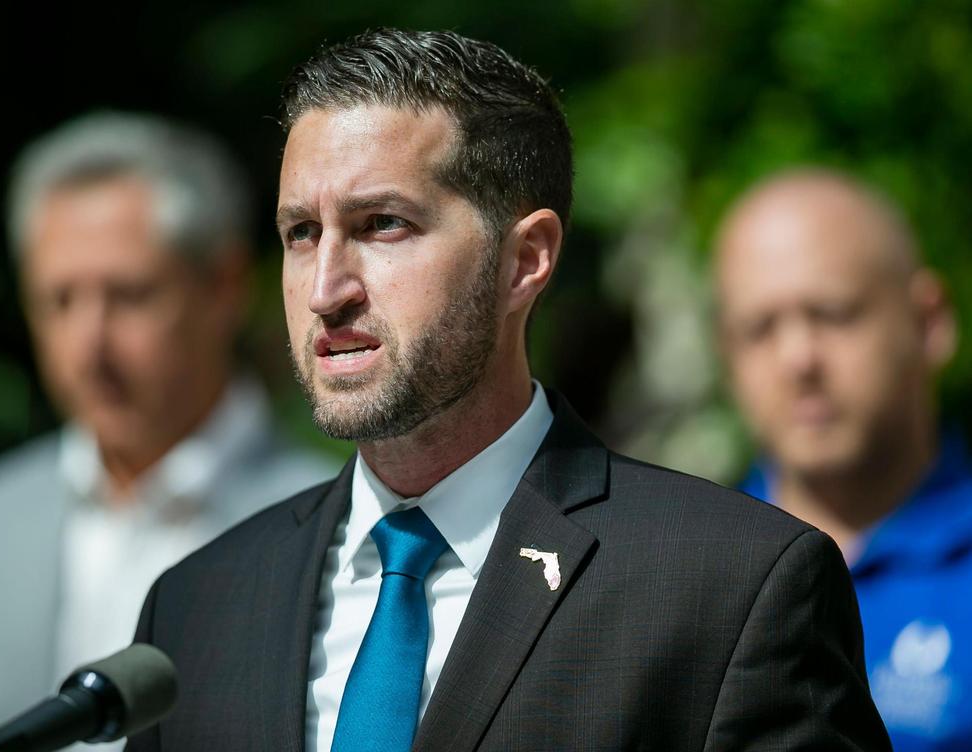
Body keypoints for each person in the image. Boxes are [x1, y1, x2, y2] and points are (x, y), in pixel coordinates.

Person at [126, 30, 890, 751]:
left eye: (382, 224)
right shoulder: (196, 609)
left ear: (525, 260)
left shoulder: (732, 590)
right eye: (301, 232)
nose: (326, 289)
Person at [0, 112, 336, 752]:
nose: (89, 344)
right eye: (60, 300)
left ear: (224, 286)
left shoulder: (345, 530)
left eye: (128, 295)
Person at [714, 168, 971, 751]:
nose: (798, 358)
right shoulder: (680, 570)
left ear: (929, 322)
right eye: (760, 328)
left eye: (834, 313)